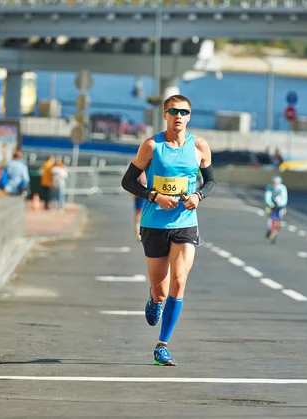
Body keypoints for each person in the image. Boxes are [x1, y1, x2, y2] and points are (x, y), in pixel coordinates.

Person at [120, 94, 216, 367]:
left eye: (183, 112)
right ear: (164, 114)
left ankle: (162, 346)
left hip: (185, 223)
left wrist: (198, 196)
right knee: (161, 290)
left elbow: (210, 181)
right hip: (154, 224)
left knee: (180, 280)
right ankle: (154, 299)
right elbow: (127, 181)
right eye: (173, 111)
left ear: (189, 116)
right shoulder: (152, 146)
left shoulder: (199, 146)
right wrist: (154, 196)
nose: (178, 116)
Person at [133, 171, 148, 240]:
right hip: (142, 194)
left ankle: (140, 231)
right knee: (139, 212)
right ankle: (139, 231)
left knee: (141, 212)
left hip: (145, 193)